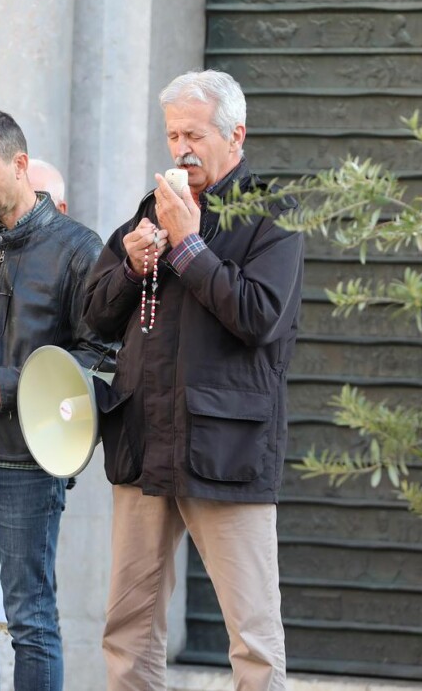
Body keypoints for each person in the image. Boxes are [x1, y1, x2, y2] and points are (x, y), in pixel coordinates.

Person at [83, 70, 304, 691]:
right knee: (127, 629)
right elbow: (94, 315)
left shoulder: (271, 213)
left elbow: (259, 316)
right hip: (143, 439)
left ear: (235, 135)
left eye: (194, 135)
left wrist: (186, 247)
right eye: (172, 135)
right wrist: (131, 266)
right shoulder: (150, 208)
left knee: (253, 638)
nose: (180, 149)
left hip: (225, 447)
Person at [0, 110, 113, 691]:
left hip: (28, 461)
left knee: (31, 622)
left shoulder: (78, 249)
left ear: (20, 164)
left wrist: (9, 384)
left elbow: (99, 357)